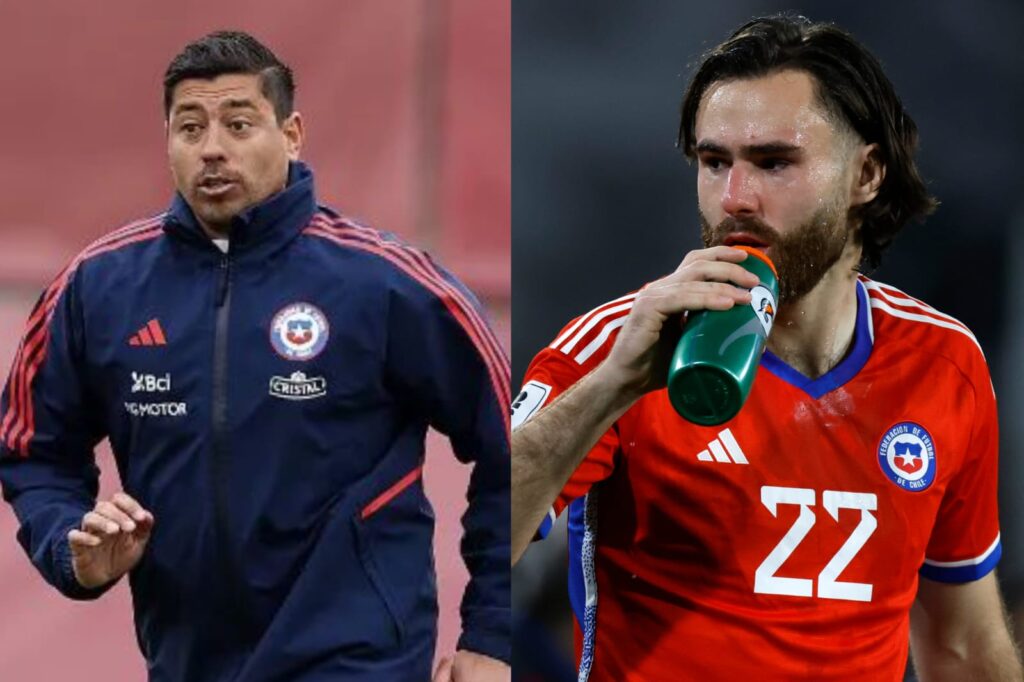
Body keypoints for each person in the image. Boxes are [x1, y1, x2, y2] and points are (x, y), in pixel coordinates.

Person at [511, 15, 1021, 681]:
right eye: (714, 161)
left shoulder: (944, 363)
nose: (735, 199)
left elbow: (960, 646)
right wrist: (614, 385)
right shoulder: (616, 345)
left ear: (866, 174)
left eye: (774, 162)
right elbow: (477, 541)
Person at [0, 31, 509, 682]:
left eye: (239, 124)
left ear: (292, 134)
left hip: (358, 661)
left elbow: (514, 447)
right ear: (168, 141)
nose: (212, 147)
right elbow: (32, 451)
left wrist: (495, 636)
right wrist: (71, 546)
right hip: (185, 663)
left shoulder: (387, 284)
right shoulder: (96, 287)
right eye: (190, 127)